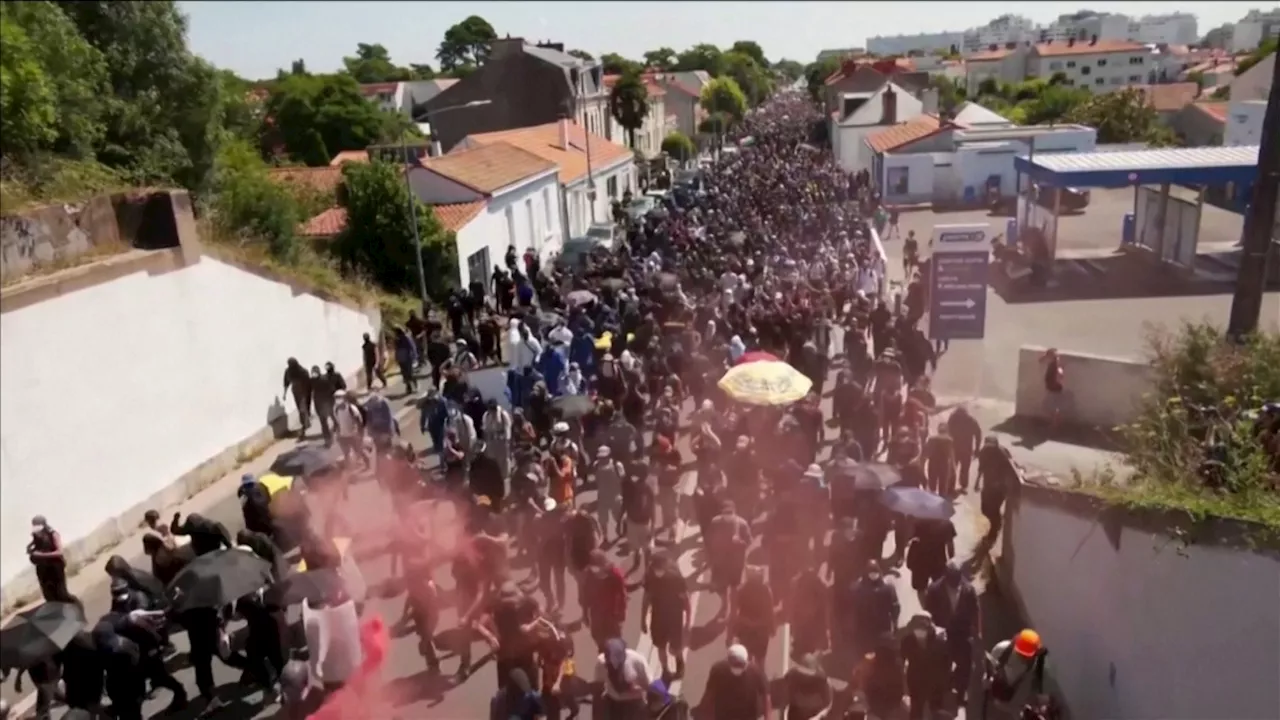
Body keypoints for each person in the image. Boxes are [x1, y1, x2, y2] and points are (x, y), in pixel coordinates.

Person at [924, 562, 981, 704]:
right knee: (941, 664)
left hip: (962, 632)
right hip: (942, 632)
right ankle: (939, 694)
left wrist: (978, 630)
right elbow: (928, 612)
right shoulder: (934, 590)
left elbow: (976, 610)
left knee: (965, 665)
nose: (956, 585)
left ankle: (961, 692)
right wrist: (931, 630)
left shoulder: (968, 590)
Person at [641, 554, 691, 680]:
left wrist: (688, 620)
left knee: (676, 646)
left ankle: (680, 664)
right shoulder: (650, 576)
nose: (657, 571)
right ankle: (665, 670)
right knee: (660, 645)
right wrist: (642, 619)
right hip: (658, 616)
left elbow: (685, 598)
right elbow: (646, 597)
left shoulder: (675, 578)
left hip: (674, 615)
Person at [984, 629, 1050, 718]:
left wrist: (1040, 700)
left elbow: (1038, 686)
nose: (1023, 658)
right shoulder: (1002, 649)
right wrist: (988, 678)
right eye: (1020, 654)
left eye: (1026, 656)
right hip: (1001, 692)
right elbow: (990, 667)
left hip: (1019, 698)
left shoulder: (1037, 666)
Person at [702, 644, 771, 720]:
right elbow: (709, 695)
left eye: (740, 664)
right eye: (734, 664)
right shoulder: (718, 671)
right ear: (728, 660)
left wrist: (767, 718)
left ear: (746, 662)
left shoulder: (756, 673)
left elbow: (766, 696)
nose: (737, 667)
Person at [900, 613, 949, 720]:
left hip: (935, 681)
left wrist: (945, 682)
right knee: (916, 711)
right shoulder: (907, 640)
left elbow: (946, 663)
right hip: (915, 680)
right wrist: (903, 687)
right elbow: (901, 661)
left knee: (936, 710)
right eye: (917, 629)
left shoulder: (939, 641)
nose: (919, 632)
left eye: (922, 629)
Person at [592, 638, 651, 719]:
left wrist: (634, 688)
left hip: (634, 704)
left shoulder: (637, 661)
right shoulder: (601, 662)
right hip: (612, 702)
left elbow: (649, 687)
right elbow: (597, 689)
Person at [27, 515, 78, 606]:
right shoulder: (36, 535)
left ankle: (75, 606)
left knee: (62, 594)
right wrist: (30, 550)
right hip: (43, 569)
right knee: (50, 597)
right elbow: (33, 546)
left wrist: (41, 555)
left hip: (55, 567)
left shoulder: (53, 534)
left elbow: (59, 552)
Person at [781, 653, 832, 720]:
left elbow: (827, 705)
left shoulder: (823, 681)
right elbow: (783, 700)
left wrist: (817, 717)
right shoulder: (792, 675)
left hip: (812, 714)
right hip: (795, 714)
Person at [1041, 348, 1065, 430]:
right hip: (1053, 388)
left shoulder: (1055, 366)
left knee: (1049, 407)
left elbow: (1060, 375)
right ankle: (1054, 423)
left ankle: (1055, 424)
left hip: (1054, 389)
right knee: (1051, 407)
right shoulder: (1053, 364)